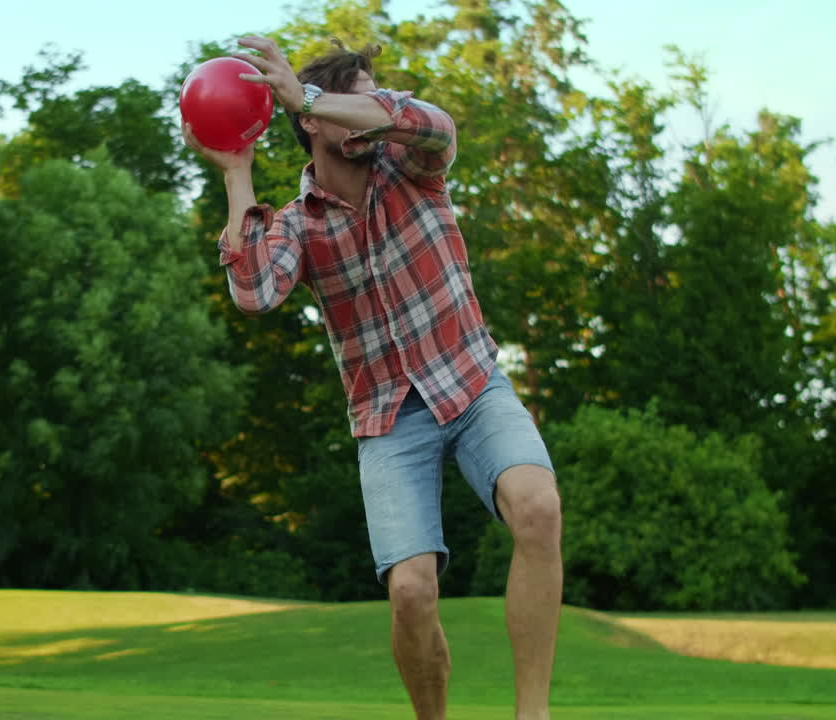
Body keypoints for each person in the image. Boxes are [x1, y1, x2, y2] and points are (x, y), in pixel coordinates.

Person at [184, 35, 563, 720]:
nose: (366, 111)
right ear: (308, 126)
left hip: (473, 384)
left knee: (538, 508)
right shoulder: (300, 225)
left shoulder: (415, 169)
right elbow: (254, 293)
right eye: (345, 101)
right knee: (412, 592)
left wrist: (321, 98)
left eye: (365, 97)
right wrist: (237, 172)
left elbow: (434, 123)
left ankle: (531, 714)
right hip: (389, 419)